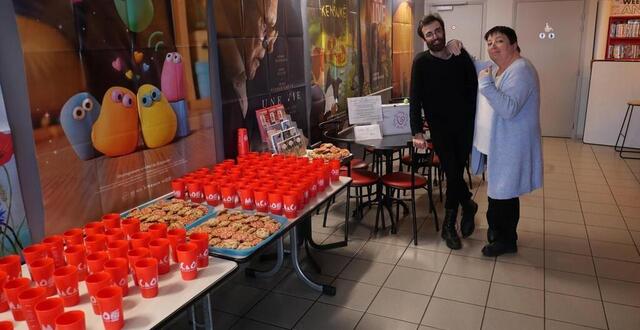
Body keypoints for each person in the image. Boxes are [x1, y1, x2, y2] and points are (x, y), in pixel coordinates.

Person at [410, 14, 478, 250]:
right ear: (424, 38)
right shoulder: (421, 62)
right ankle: (456, 217)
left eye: (437, 31)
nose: (435, 36)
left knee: (455, 172)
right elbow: (415, 99)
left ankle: (464, 209)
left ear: (443, 30)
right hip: (439, 129)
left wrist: (474, 121)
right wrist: (417, 131)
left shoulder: (461, 57)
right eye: (429, 34)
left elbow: (474, 89)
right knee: (451, 172)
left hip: (464, 127)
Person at [476, 26, 542, 256]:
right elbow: (476, 65)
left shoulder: (521, 69)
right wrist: (457, 46)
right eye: (490, 42)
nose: (493, 46)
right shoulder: (501, 68)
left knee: (504, 193)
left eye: (499, 41)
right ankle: (499, 232)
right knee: (499, 191)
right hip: (501, 144)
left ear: (513, 45)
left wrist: (485, 85)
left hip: (511, 145)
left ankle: (506, 240)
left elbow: (509, 109)